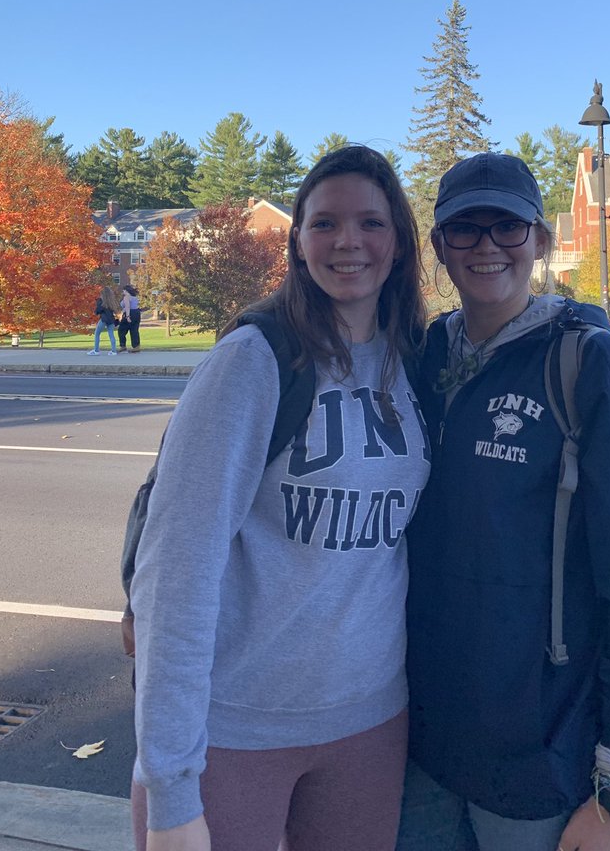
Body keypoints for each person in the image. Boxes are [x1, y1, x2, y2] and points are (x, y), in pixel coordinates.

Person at [129, 145, 430, 851]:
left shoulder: (412, 357)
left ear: (398, 243)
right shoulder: (254, 361)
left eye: (371, 222)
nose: (348, 241)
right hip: (235, 728)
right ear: (297, 243)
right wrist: (171, 785)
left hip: (371, 724)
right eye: (324, 223)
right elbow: (177, 571)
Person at [397, 153, 610, 851]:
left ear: (539, 239)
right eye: (464, 229)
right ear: (439, 246)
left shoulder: (589, 367)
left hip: (542, 755)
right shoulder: (423, 359)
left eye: (507, 226)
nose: (487, 246)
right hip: (420, 744)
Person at [89, 285, 118, 356]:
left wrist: (95, 311)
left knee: (97, 333)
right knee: (111, 334)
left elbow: (98, 310)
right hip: (111, 319)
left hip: (104, 319)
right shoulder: (111, 302)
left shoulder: (101, 301)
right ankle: (114, 351)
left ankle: (96, 350)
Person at [119, 285, 142, 353]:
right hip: (137, 313)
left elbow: (127, 307)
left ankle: (123, 345)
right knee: (134, 330)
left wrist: (128, 316)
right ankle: (136, 346)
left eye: (123, 290)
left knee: (121, 330)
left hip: (130, 313)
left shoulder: (126, 297)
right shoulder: (135, 297)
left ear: (126, 291)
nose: (123, 292)